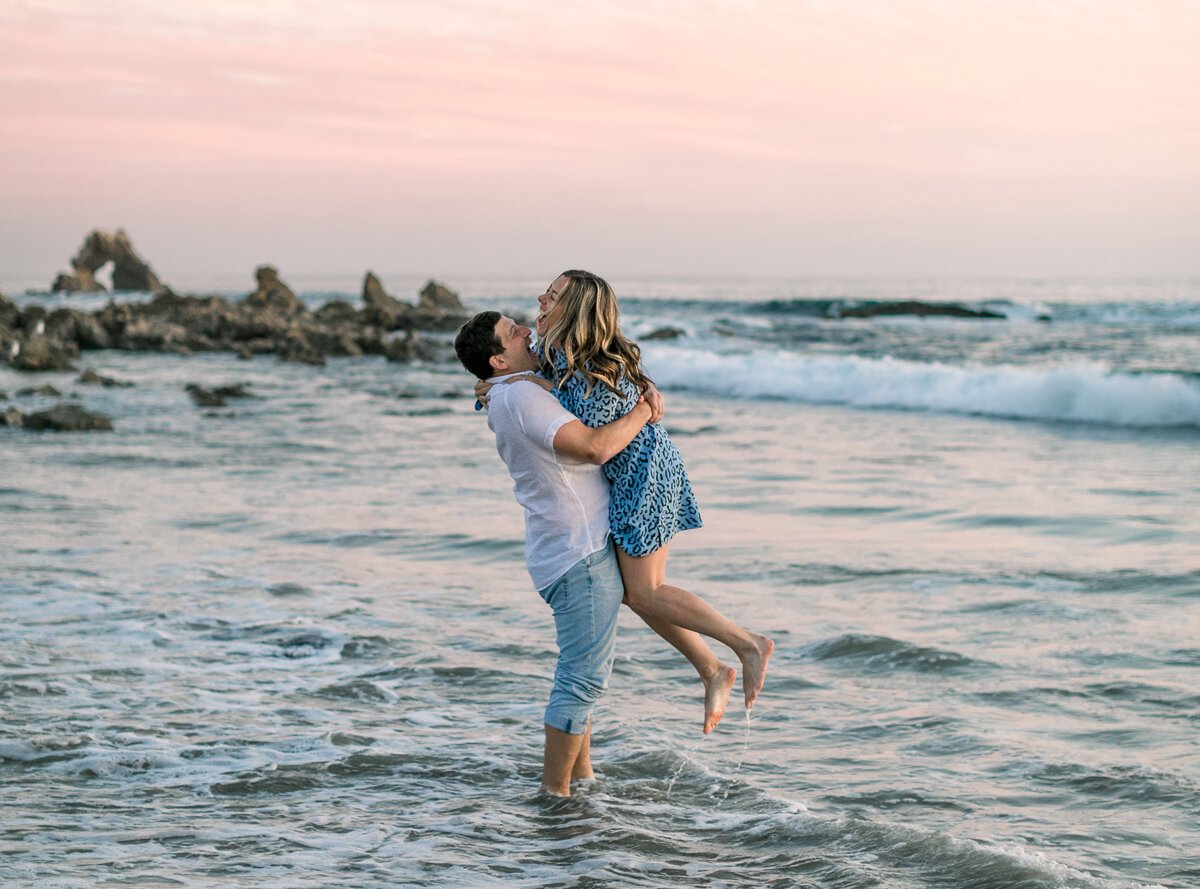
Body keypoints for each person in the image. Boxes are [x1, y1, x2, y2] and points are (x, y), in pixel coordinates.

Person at [488, 271, 774, 714]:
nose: (541, 299)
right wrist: (504, 383)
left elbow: (594, 441)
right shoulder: (555, 352)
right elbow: (525, 381)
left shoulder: (597, 368)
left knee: (647, 591)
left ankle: (747, 644)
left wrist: (529, 385)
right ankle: (712, 669)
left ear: (576, 311)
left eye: (555, 296)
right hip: (630, 475)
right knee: (633, 591)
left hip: (645, 475)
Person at [454, 310, 655, 797]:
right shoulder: (518, 393)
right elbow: (592, 447)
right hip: (576, 551)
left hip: (566, 549)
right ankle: (555, 795)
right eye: (512, 331)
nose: (526, 328)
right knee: (581, 679)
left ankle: (582, 781)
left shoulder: (515, 387)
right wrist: (645, 410)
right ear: (498, 358)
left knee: (579, 673)